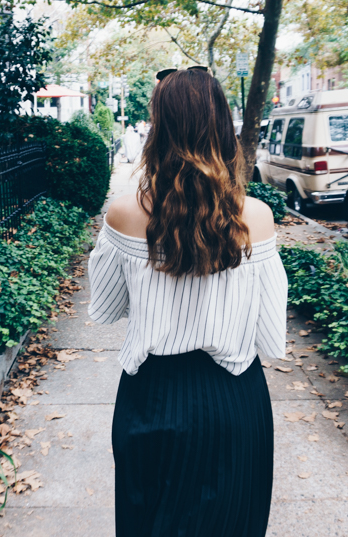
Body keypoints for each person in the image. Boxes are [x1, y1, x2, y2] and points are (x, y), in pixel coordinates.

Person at [88, 68, 288, 536]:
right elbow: (270, 337)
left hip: (151, 395)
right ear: (223, 127)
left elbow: (107, 307)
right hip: (234, 401)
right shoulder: (257, 219)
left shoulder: (122, 211)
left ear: (159, 128)